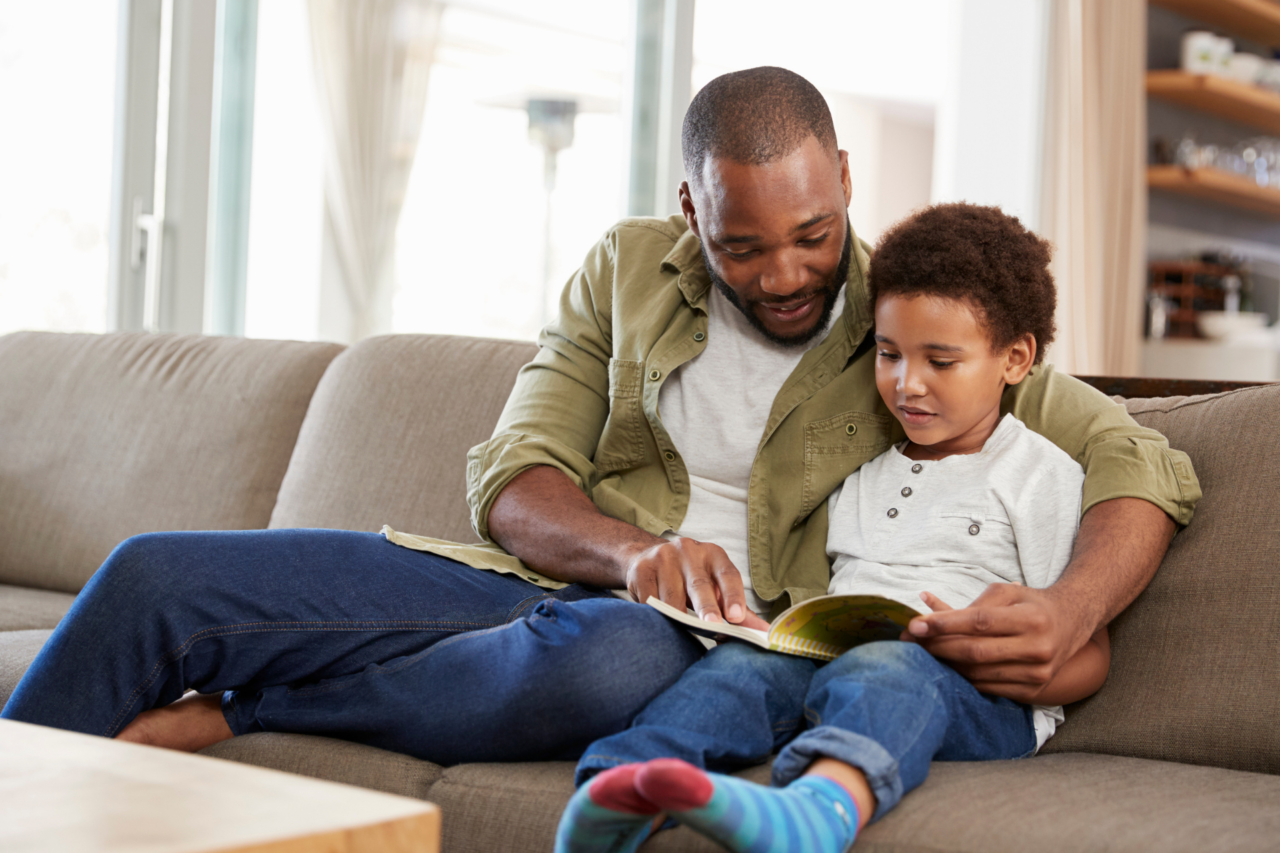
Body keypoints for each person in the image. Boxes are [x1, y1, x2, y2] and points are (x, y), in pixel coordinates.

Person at [2, 69, 1196, 766]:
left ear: (842, 178)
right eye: (741, 245)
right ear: (689, 208)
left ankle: (250, 703)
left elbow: (1136, 454)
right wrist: (633, 553)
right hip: (540, 582)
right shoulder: (624, 272)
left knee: (616, 659)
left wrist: (1070, 605)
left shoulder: (911, 326)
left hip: (708, 638)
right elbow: (516, 472)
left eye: (812, 236)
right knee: (153, 575)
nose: (784, 274)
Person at [555, 203, 1110, 853]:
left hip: (976, 696)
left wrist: (1012, 664)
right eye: (889, 353)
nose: (908, 384)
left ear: (1014, 358)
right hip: (837, 662)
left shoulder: (1037, 473)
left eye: (941, 361)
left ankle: (820, 810)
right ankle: (621, 789)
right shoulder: (861, 470)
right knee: (740, 667)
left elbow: (1090, 653)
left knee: (890, 667)